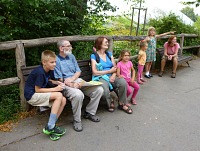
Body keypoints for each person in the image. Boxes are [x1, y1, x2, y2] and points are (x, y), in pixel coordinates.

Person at [54, 40, 103, 132]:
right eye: (69, 46)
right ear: (61, 48)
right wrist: (71, 84)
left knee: (99, 89)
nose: (71, 48)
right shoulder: (56, 60)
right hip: (65, 85)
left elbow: (78, 71)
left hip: (77, 80)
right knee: (78, 94)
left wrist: (73, 80)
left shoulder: (71, 56)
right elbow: (59, 79)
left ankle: (89, 113)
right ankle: (77, 120)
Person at [24, 50, 66, 141]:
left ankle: (51, 126)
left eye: (55, 62)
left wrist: (56, 82)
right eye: (52, 62)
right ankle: (50, 126)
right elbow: (37, 90)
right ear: (44, 62)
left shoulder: (49, 69)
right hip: (32, 96)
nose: (54, 64)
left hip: (38, 94)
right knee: (58, 95)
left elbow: (49, 80)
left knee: (63, 100)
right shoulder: (39, 72)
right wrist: (55, 89)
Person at [91, 36, 133, 114]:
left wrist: (113, 75)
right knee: (104, 87)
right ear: (100, 44)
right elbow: (94, 72)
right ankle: (110, 102)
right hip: (101, 76)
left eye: (107, 42)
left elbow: (115, 67)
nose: (108, 43)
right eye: (106, 42)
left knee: (122, 82)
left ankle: (122, 104)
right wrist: (108, 71)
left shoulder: (109, 54)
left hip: (111, 75)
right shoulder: (94, 56)